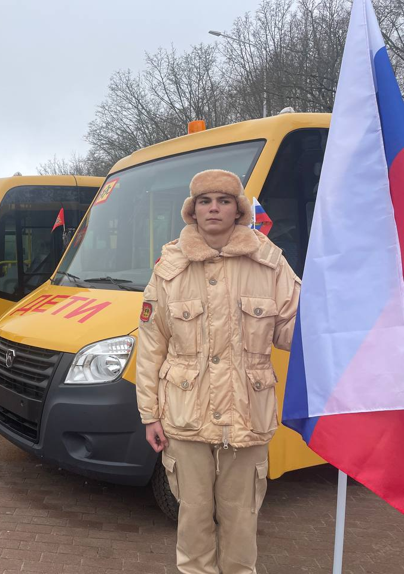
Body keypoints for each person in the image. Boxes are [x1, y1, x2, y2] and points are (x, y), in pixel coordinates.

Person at [135, 170, 300, 574]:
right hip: (184, 414)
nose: (214, 208)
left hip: (248, 416)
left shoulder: (269, 262)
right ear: (192, 210)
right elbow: (151, 347)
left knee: (242, 519)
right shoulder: (169, 267)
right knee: (192, 519)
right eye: (205, 201)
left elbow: (294, 333)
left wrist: (334, 307)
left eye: (223, 201)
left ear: (238, 208)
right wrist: (149, 414)